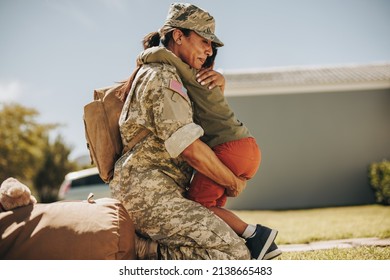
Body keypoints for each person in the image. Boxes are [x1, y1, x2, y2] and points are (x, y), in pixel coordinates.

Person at [110, 3, 277, 260]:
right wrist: (233, 182)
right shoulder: (162, 76)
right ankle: (140, 251)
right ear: (179, 36)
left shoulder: (170, 74)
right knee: (234, 254)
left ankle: (145, 248)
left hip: (162, 192)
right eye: (204, 41)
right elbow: (190, 148)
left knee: (235, 247)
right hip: (149, 195)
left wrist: (219, 86)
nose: (209, 50)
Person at [137, 44, 281, 260]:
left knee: (199, 207)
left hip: (229, 148)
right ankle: (254, 245)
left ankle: (257, 235)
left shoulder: (196, 77)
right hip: (247, 148)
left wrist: (143, 55)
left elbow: (162, 55)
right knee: (212, 208)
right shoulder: (212, 83)